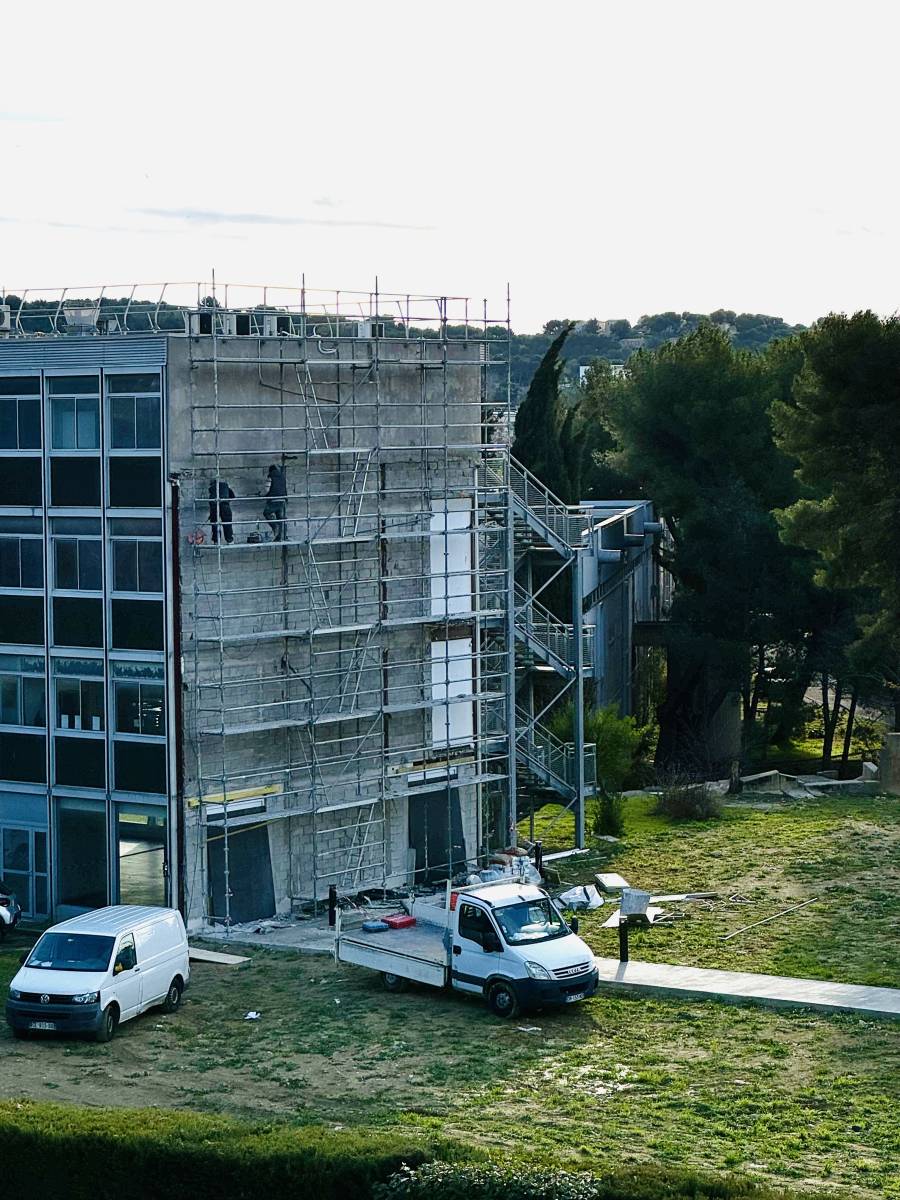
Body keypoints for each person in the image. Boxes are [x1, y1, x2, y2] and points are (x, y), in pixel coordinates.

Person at [263, 464, 287, 541]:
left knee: (266, 513)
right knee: (280, 519)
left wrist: (264, 495)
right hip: (282, 500)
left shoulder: (270, 477)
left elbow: (267, 489)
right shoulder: (282, 477)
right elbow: (284, 488)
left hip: (273, 499)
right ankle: (279, 537)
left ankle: (274, 526)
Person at [208, 479, 235, 545]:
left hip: (214, 506)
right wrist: (227, 501)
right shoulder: (225, 486)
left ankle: (216, 541)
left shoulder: (211, 488)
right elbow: (233, 496)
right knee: (227, 523)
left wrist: (211, 513)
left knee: (215, 524)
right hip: (225, 505)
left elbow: (210, 500)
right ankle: (229, 540)